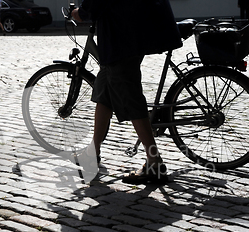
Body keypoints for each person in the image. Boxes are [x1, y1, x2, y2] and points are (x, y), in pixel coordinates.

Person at [71, 0, 182, 184]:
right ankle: (92, 153)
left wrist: (80, 12)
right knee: (105, 94)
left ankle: (154, 162)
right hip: (128, 34)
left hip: (121, 40)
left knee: (130, 99)